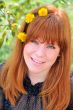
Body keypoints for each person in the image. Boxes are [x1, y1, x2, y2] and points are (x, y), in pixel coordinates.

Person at [0, 4, 72, 110]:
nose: (40, 53)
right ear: (23, 41)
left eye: (51, 46)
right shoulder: (2, 75)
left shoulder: (70, 89)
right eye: (34, 41)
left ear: (61, 51)